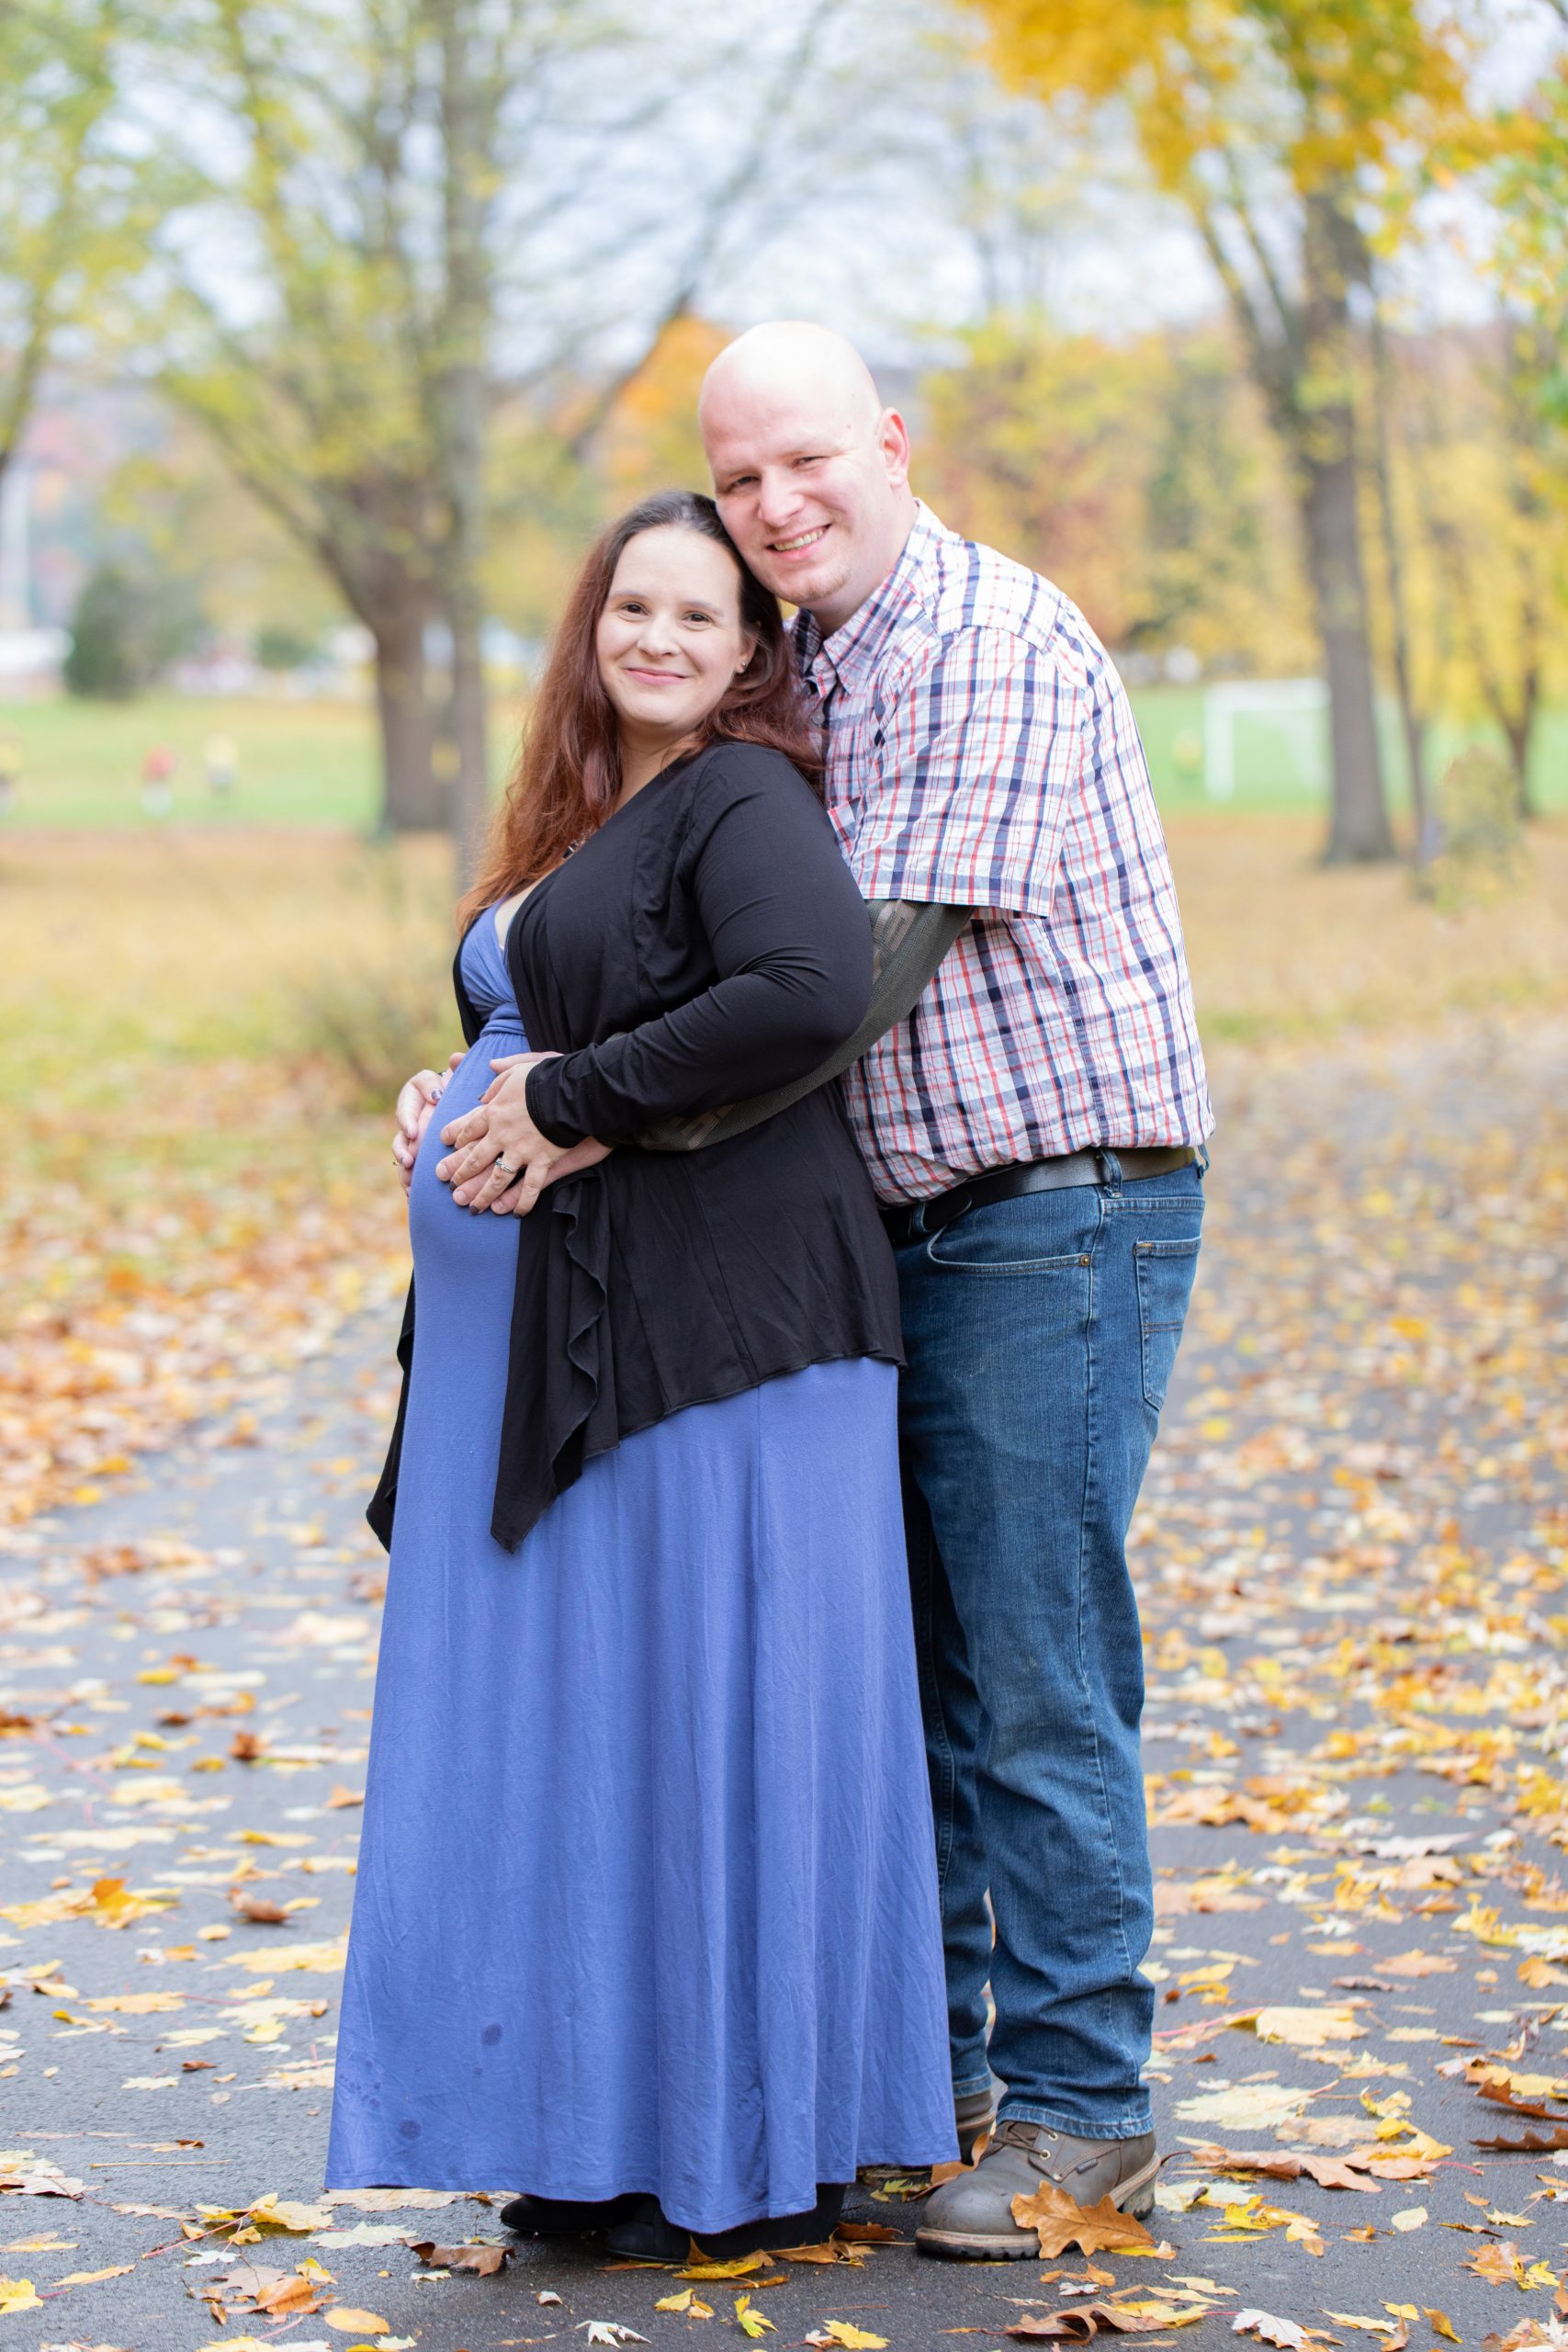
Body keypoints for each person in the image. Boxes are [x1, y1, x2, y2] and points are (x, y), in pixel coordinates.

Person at [332, 490, 955, 2257]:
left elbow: (806, 987)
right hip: (543, 1333)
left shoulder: (742, 792)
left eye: (700, 613)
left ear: (754, 649)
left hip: (713, 1330)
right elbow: (548, 1013)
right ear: (589, 625)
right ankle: (594, 2133)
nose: (659, 637)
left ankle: (744, 2151)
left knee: (700, 1727)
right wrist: (456, 1083)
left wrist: (561, 1095)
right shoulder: (581, 805)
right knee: (591, 1741)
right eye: (633, 606)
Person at [694, 322, 1214, 2258]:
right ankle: (950, 2079)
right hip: (899, 1225)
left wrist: (593, 1116)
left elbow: (849, 973)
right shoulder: (804, 662)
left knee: (1033, 1674)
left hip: (1052, 1215)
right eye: (740, 479)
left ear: (892, 443)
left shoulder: (986, 640)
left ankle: (1087, 2116)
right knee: (917, 1679)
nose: (776, 505)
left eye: (807, 460)